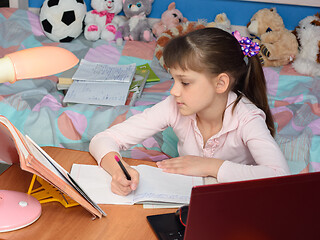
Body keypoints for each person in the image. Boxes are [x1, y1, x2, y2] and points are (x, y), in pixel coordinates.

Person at [89, 28, 290, 196]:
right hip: (186, 197)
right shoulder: (174, 105)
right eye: (173, 80)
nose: (174, 91)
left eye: (185, 82)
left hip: (234, 200)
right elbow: (103, 139)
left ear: (220, 83)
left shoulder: (247, 118)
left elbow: (280, 176)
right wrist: (117, 172)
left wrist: (209, 166)